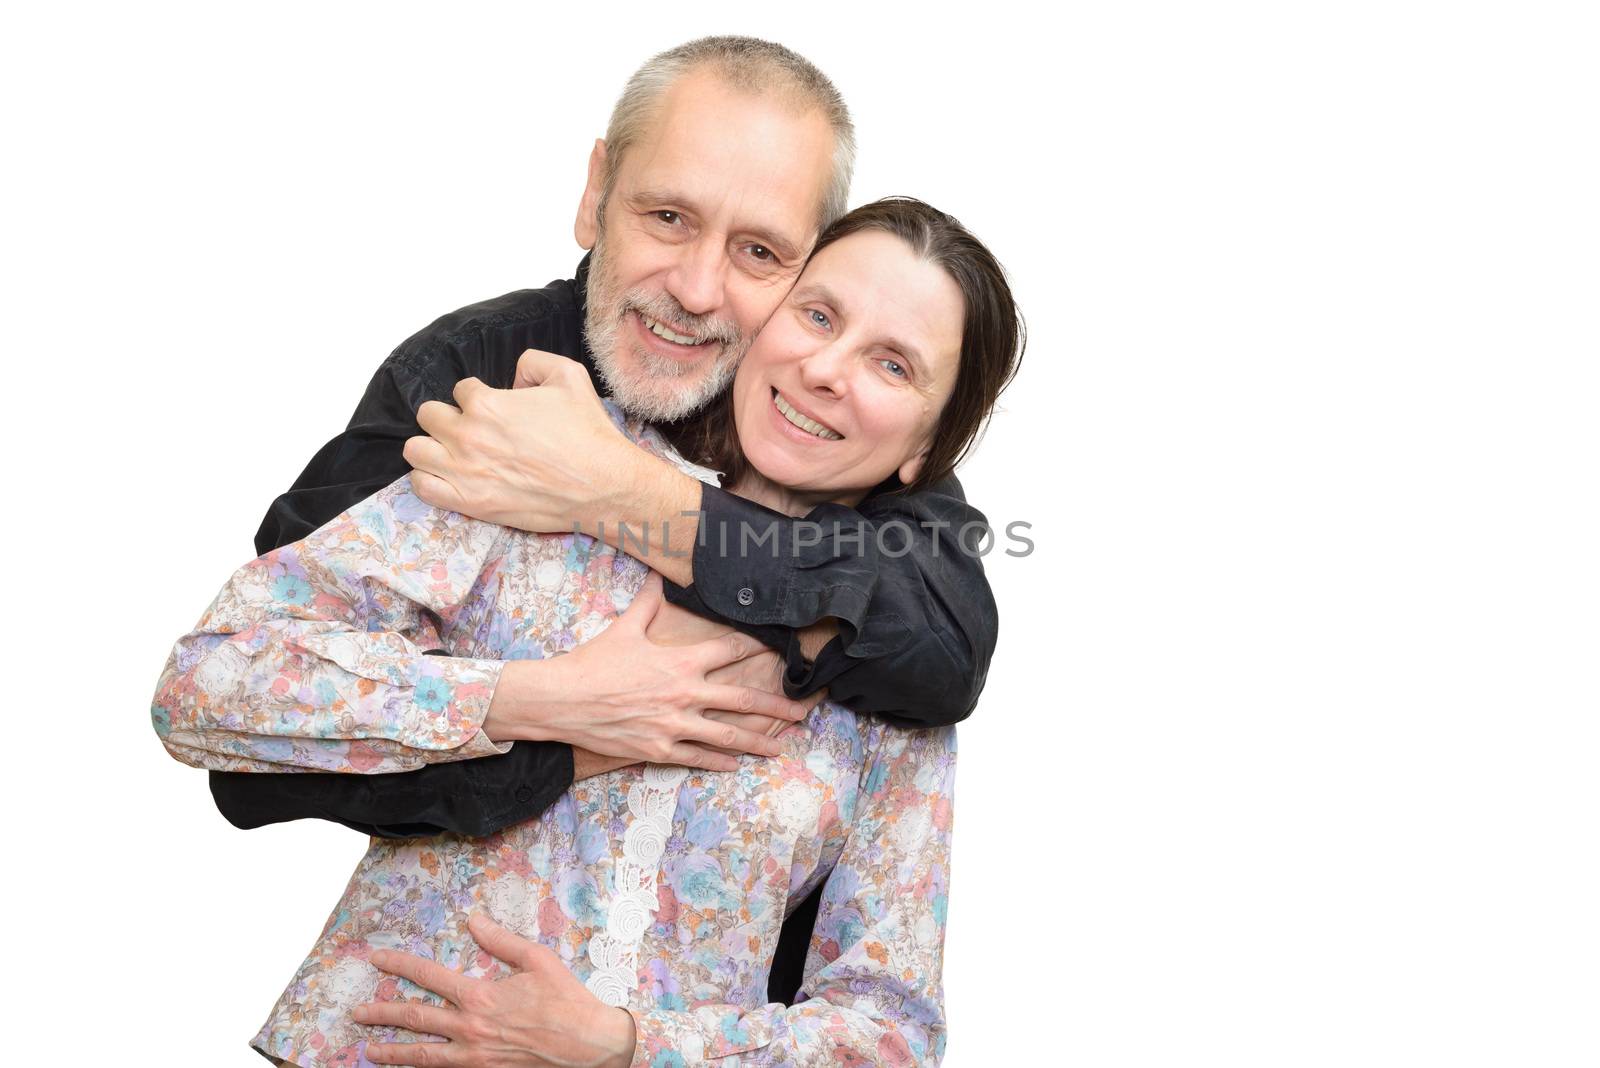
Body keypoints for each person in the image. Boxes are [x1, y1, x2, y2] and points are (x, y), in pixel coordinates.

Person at [208, 36, 1002, 1007]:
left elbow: (938, 651)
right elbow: (260, 739)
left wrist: (616, 493)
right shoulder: (473, 377)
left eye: (759, 252)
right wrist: (566, 721)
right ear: (596, 193)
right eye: (667, 216)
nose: (698, 288)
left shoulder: (848, 444)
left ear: (810, 268)